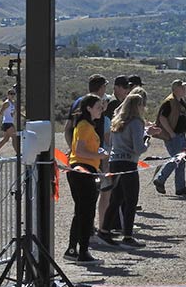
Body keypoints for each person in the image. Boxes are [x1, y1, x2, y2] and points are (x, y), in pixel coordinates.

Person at [98, 93, 160, 248]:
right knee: (131, 200)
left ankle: (104, 230)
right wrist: (148, 138)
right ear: (138, 106)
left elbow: (111, 143)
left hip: (115, 162)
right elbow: (138, 148)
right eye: (142, 105)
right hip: (128, 164)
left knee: (116, 198)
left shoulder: (117, 121)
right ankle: (127, 236)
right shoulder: (136, 122)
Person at [65, 94, 106, 264]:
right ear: (88, 108)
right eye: (98, 107)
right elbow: (80, 152)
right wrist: (99, 155)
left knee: (81, 212)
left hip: (83, 171)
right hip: (82, 172)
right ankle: (83, 252)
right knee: (86, 213)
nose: (101, 110)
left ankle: (73, 249)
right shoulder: (84, 126)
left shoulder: (86, 125)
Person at [153, 80, 186, 196]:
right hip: (174, 136)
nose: (185, 89)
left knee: (181, 162)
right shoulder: (170, 102)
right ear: (176, 88)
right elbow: (162, 118)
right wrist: (171, 133)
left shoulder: (180, 101)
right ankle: (160, 179)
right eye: (182, 87)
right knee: (176, 159)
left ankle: (180, 188)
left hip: (181, 135)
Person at [0, 89, 19, 158]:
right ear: (8, 95)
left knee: (6, 139)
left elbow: (17, 111)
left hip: (10, 122)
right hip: (7, 123)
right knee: (14, 137)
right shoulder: (6, 103)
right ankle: (18, 153)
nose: (12, 95)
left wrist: (24, 115)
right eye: (11, 94)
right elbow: (0, 112)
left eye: (13, 94)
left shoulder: (13, 103)